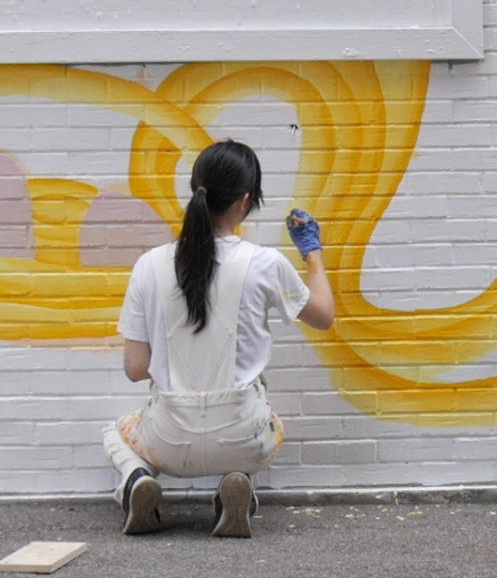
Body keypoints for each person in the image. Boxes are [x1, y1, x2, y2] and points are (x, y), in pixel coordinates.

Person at [101, 139, 335, 537]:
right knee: (266, 420)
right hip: (243, 434)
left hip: (168, 441)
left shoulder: (148, 265)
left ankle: (137, 481)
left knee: (115, 430)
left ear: (196, 191)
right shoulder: (265, 263)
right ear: (245, 201)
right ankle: (237, 483)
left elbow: (136, 369)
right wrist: (312, 253)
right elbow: (323, 316)